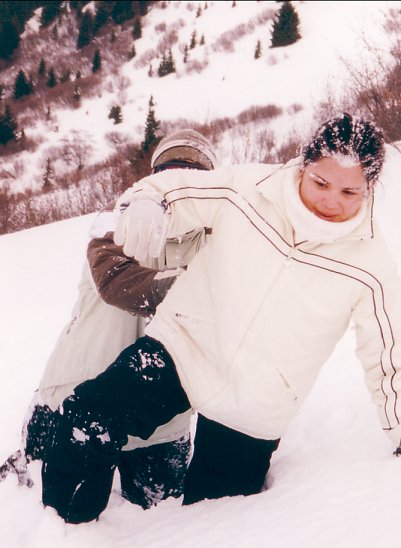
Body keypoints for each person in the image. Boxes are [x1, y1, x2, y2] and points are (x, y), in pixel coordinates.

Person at [40, 113, 401, 525]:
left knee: (212, 520)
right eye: (320, 182)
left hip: (255, 404)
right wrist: (146, 202)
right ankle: (64, 528)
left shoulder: (370, 266)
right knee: (87, 417)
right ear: (304, 165)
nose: (330, 201)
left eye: (349, 191)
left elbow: (389, 358)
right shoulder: (248, 190)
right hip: (182, 350)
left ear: (370, 187)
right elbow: (174, 187)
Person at [0, 129, 217, 509]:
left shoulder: (219, 241)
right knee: (33, 505)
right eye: (168, 172)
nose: (178, 183)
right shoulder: (116, 223)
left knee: (160, 518)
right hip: (71, 395)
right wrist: (198, 290)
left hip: (160, 422)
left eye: (192, 176)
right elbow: (120, 284)